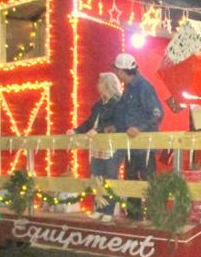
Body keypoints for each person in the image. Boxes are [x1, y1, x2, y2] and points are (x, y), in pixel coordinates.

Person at [111, 53, 164, 220]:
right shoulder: (129, 89)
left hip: (144, 146)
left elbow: (157, 114)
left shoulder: (143, 87)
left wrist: (139, 129)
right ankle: (134, 217)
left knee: (148, 181)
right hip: (131, 147)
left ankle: (155, 217)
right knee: (131, 181)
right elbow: (126, 115)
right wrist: (116, 127)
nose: (117, 74)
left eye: (118, 71)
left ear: (122, 71)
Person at [68, 72, 123, 220]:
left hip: (112, 146)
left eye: (100, 82)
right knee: (96, 176)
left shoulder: (118, 102)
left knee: (109, 176)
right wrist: (76, 130)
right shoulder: (98, 105)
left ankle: (109, 211)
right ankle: (99, 208)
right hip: (96, 146)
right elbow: (89, 122)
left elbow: (117, 123)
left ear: (107, 84)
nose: (97, 85)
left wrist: (98, 130)